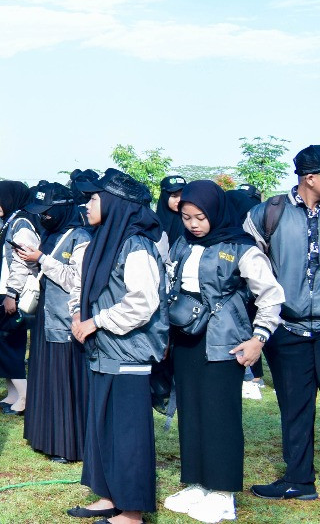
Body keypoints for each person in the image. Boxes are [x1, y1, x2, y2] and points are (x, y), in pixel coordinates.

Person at [161, 180, 284, 523]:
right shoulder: (182, 244)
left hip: (225, 341)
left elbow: (271, 296)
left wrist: (258, 338)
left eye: (199, 216)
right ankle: (197, 483)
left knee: (220, 417)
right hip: (186, 339)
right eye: (186, 217)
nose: (193, 224)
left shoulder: (241, 247)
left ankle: (223, 493)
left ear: (214, 211)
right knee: (191, 411)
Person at [66, 169, 167, 524]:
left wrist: (96, 321)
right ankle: (109, 496)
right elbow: (83, 288)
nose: (87, 204)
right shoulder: (102, 240)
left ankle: (133, 512)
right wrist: (79, 314)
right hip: (102, 352)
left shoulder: (136, 245)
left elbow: (142, 303)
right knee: (101, 428)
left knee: (127, 434)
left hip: (128, 353)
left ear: (114, 204)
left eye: (93, 198)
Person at [246, 144, 320, 502]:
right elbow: (249, 267)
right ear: (310, 177)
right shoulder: (267, 213)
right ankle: (300, 480)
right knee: (295, 408)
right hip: (288, 329)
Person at [16, 181, 91, 465]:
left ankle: (68, 444)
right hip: (45, 318)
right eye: (40, 213)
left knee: (65, 384)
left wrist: (43, 260)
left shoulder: (80, 235)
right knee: (45, 379)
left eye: (48, 212)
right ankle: (44, 437)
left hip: (66, 320)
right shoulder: (49, 233)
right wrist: (32, 260)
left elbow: (78, 279)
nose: (43, 217)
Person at [0, 180, 39, 416]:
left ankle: (25, 397)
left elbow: (22, 264)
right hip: (3, 291)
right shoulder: (10, 222)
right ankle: (13, 394)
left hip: (12, 294)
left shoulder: (22, 225)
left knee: (9, 347)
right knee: (1, 345)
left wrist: (11, 293)